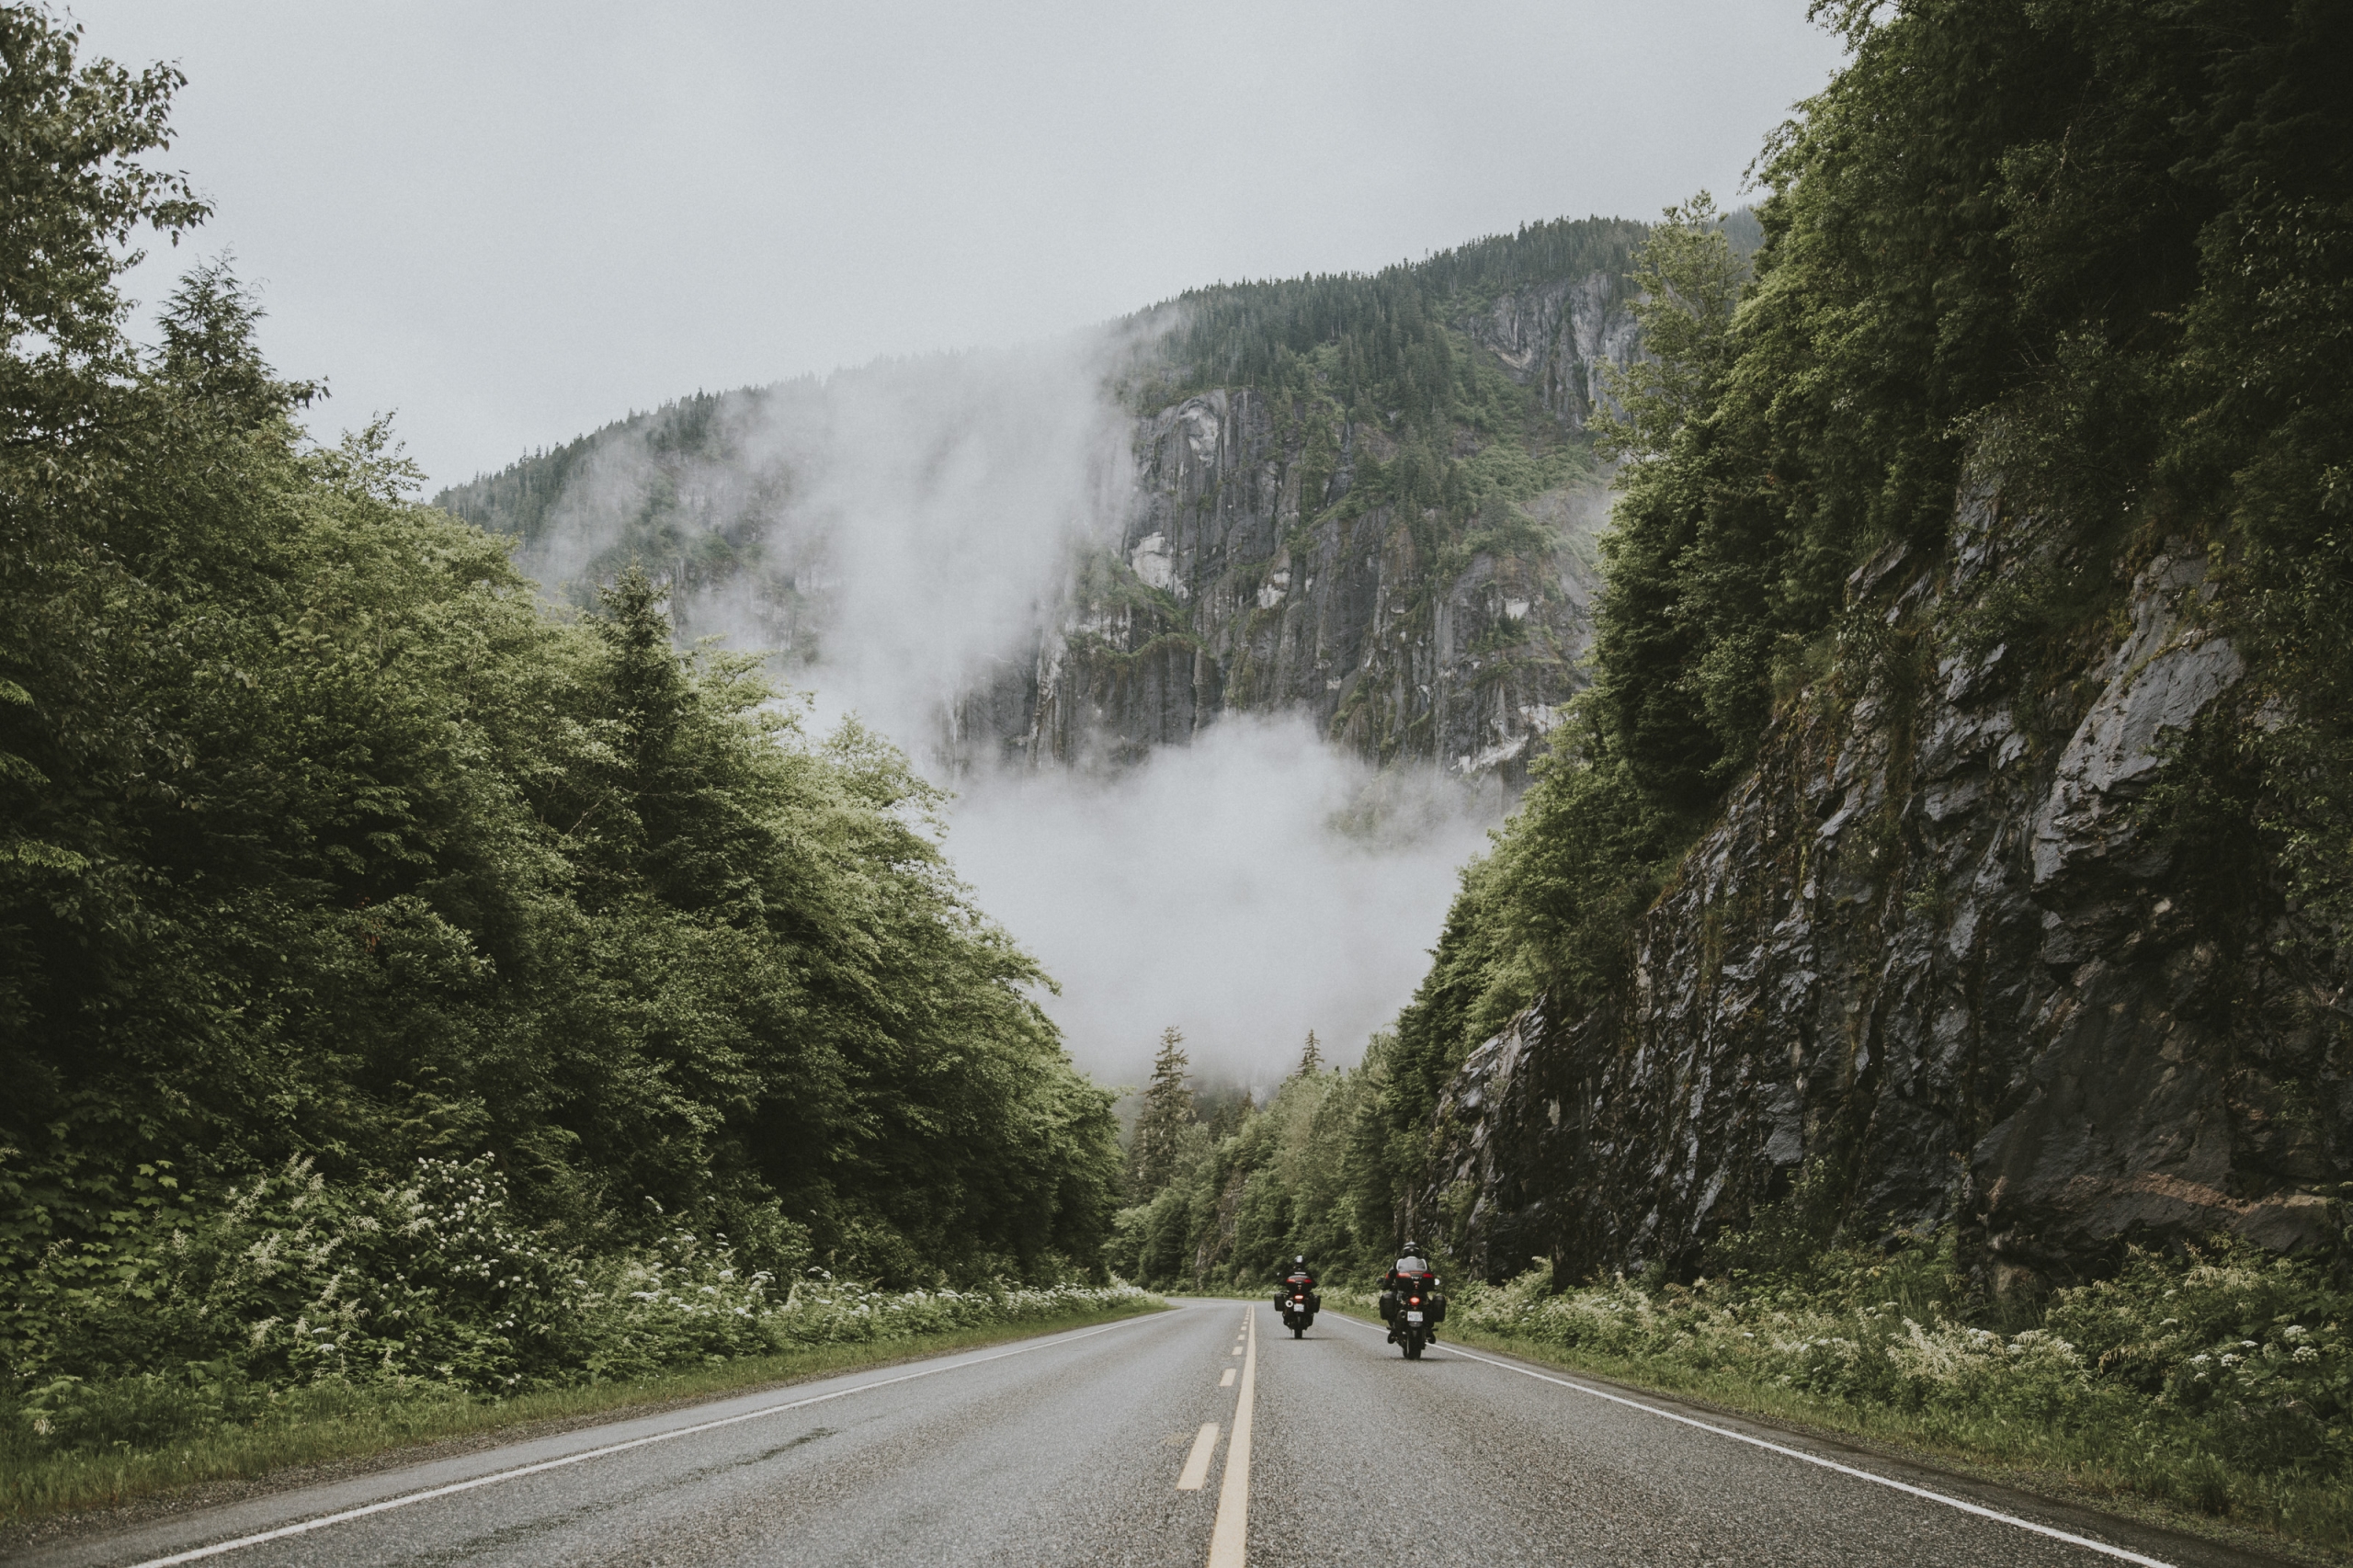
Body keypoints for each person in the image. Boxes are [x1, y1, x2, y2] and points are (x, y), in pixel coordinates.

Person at [1384, 1240, 1439, 1343]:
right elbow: (1430, 1274)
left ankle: (1394, 1328)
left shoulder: (1399, 1262)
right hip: (1420, 1292)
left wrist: (1386, 1284)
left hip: (1404, 1293)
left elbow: (1390, 1275)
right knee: (1428, 1305)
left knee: (1394, 1303)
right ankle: (1428, 1328)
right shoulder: (1423, 1262)